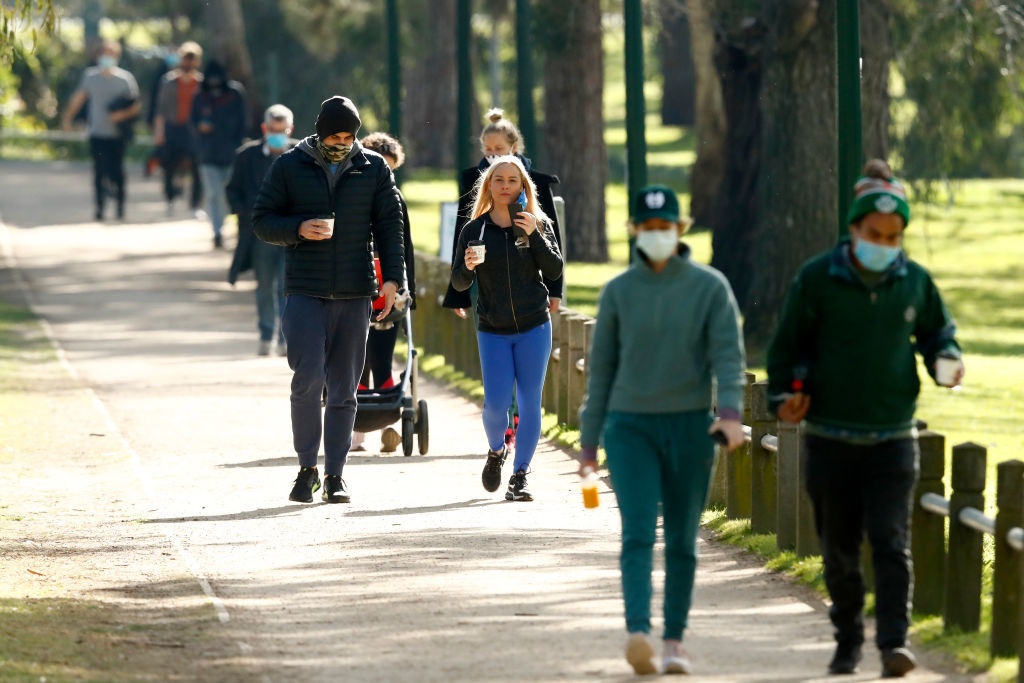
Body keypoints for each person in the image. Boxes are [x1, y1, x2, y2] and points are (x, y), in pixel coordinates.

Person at [766, 160, 964, 678]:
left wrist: (949, 360)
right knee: (840, 551)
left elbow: (939, 333)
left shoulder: (915, 282)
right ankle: (848, 638)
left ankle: (894, 644)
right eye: (874, 234)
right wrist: (785, 397)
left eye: (893, 235)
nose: (884, 242)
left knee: (891, 544)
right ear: (853, 230)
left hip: (893, 438)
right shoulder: (816, 280)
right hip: (830, 439)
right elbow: (786, 352)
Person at [577, 185, 746, 676]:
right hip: (629, 429)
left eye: (664, 228)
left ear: (680, 230)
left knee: (682, 539)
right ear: (634, 231)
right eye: (647, 228)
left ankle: (673, 640)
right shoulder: (619, 292)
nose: (656, 235)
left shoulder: (710, 287)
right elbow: (601, 372)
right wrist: (589, 442)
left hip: (690, 427)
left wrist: (731, 414)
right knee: (636, 533)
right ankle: (638, 633)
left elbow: (728, 358)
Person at [252, 96, 405, 504]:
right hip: (305, 289)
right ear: (319, 132)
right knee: (307, 380)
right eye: (335, 135)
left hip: (356, 291)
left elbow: (391, 225)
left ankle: (336, 474)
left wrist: (392, 279)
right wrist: (299, 228)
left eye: (348, 135)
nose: (342, 142)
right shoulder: (289, 164)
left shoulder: (372, 168)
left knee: (344, 388)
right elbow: (262, 220)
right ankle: (307, 468)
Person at [443, 107, 564, 448]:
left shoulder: (535, 183)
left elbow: (553, 250)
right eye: (487, 150)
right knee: (497, 370)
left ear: (514, 147)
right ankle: (502, 423)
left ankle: (517, 437)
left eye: (499, 148)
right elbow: (461, 238)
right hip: (485, 276)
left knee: (528, 383)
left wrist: (555, 290)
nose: (493, 155)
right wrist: (457, 293)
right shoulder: (474, 182)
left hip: (530, 289)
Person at [351, 132, 417, 452]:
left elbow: (406, 247)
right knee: (356, 357)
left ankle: (387, 422)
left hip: (389, 290)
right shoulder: (352, 196)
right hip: (358, 286)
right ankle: (356, 431)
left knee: (383, 356)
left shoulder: (395, 200)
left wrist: (409, 287)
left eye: (391, 170)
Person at [226, 104, 297, 356]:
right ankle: (266, 334)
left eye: (283, 130)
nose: (278, 134)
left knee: (288, 287)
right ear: (264, 129)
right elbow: (232, 190)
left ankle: (286, 338)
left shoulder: (302, 154)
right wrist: (244, 212)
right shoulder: (247, 156)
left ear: (290, 129)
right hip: (260, 233)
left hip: (291, 233)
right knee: (265, 285)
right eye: (273, 129)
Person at [61, 40, 141, 221]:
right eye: (104, 53)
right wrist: (67, 119)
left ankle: (120, 205)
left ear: (116, 56)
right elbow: (79, 98)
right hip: (97, 133)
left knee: (117, 171)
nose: (107, 57)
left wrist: (120, 115)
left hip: (118, 135)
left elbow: (136, 106)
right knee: (99, 172)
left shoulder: (125, 79)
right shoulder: (90, 76)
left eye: (110, 53)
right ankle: (99, 208)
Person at [191, 60, 247, 249]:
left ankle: (240, 230)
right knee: (214, 194)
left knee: (232, 195)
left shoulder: (234, 94)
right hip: (207, 156)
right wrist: (201, 129)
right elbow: (192, 123)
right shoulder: (200, 96)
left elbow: (242, 122)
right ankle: (217, 232)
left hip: (232, 155)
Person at [153, 41, 204, 217]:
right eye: (185, 58)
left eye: (192, 59)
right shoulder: (169, 81)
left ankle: (195, 205)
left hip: (194, 131)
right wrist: (159, 132)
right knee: (168, 167)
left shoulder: (201, 83)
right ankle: (170, 200)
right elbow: (160, 109)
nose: (188, 63)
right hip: (173, 128)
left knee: (197, 168)